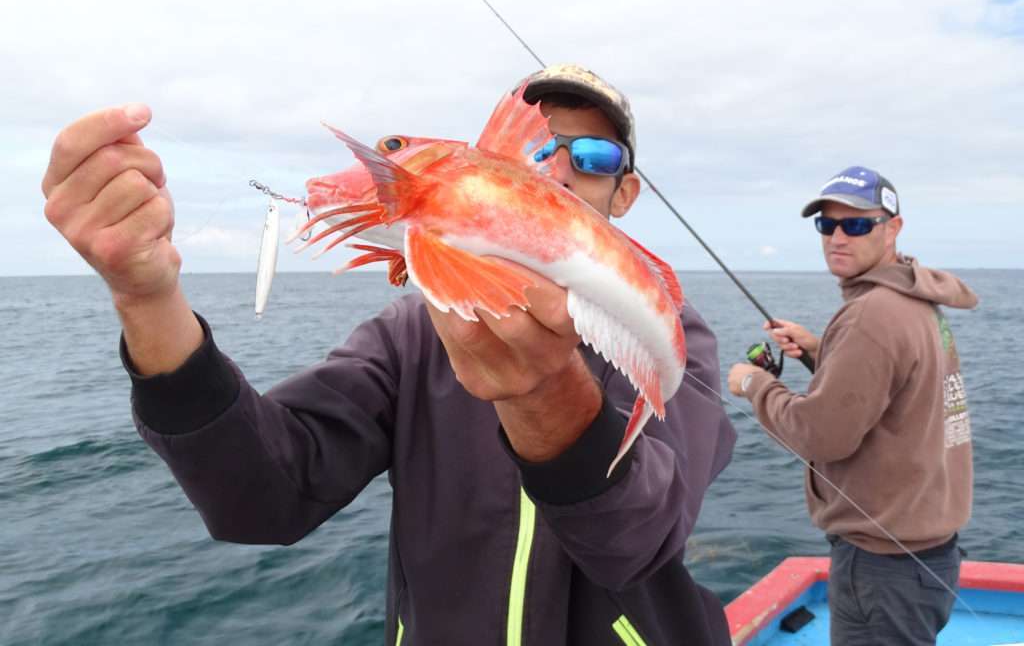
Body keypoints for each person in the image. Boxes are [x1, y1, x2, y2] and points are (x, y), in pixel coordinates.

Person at [43, 63, 737, 645]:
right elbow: (261, 496)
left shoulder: (677, 337)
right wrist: (146, 299)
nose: (555, 170)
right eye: (534, 151)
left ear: (626, 192)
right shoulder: (410, 336)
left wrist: (547, 397)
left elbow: (637, 541)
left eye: (592, 158)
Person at [726, 166, 977, 646]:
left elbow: (820, 436)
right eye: (827, 225)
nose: (838, 237)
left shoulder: (871, 316)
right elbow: (898, 385)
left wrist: (754, 384)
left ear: (893, 228)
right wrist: (822, 351)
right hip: (932, 556)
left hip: (883, 569)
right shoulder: (914, 299)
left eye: (857, 224)